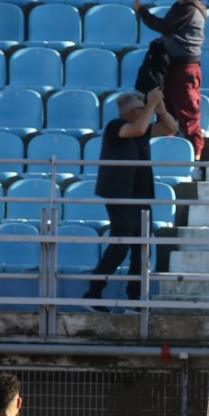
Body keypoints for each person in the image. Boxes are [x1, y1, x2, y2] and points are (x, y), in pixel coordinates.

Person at [83, 89, 178, 312]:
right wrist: (151, 104)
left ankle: (134, 300)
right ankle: (93, 293)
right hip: (120, 194)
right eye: (142, 108)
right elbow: (137, 129)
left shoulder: (142, 128)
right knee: (120, 246)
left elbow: (171, 128)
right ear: (132, 111)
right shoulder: (116, 127)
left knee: (141, 248)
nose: (145, 112)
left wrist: (161, 109)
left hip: (141, 194)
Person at [133, 0, 206, 165]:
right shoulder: (179, 7)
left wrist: (142, 11)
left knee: (188, 115)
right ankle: (165, 157)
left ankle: (196, 162)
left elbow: (165, 27)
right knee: (165, 113)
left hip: (185, 70)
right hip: (170, 68)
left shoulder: (189, 8)